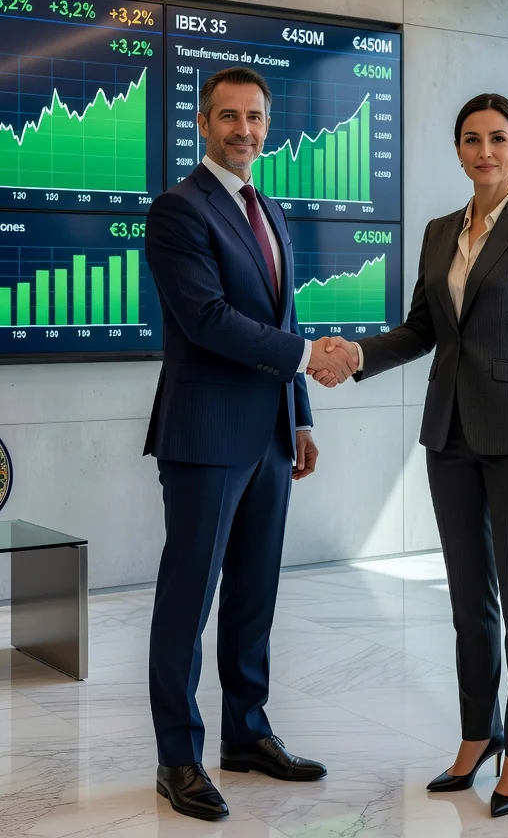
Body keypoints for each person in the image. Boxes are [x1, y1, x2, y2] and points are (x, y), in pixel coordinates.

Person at [312, 93, 508, 819]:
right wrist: (357, 353)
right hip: (449, 436)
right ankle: (475, 735)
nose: (484, 151)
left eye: (497, 138)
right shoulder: (436, 234)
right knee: (469, 602)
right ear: (457, 151)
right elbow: (422, 329)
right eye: (471, 139)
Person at [143, 66, 356, 821]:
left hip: (268, 434)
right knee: (187, 599)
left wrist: (299, 414)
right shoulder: (178, 210)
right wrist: (308, 359)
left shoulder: (270, 210)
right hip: (204, 436)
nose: (244, 130)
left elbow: (283, 312)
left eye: (256, 118)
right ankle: (178, 759)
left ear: (269, 125)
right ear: (203, 123)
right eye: (228, 117)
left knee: (254, 595)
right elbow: (205, 320)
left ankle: (247, 734)